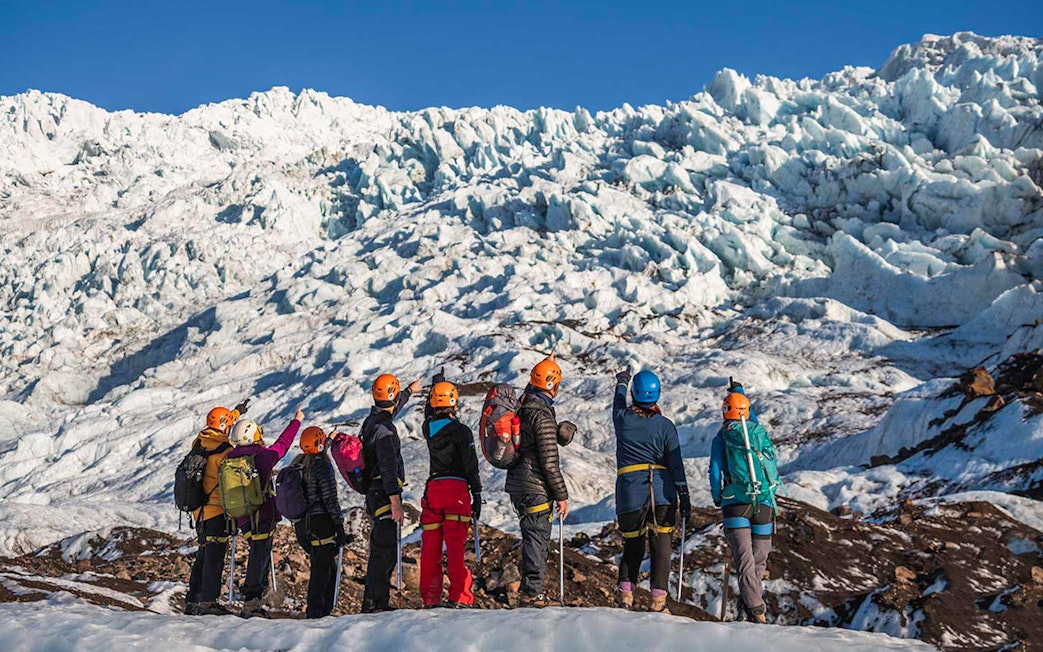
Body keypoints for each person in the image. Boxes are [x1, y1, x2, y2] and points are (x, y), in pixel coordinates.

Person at [612, 369, 690, 613]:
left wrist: (622, 381)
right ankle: (658, 601)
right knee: (661, 544)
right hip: (663, 493)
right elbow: (675, 464)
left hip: (630, 492)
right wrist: (684, 495)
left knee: (633, 544)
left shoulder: (622, 418)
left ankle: (625, 594)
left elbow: (617, 400)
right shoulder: (666, 426)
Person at [504, 354, 576, 607]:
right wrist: (561, 495)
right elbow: (549, 462)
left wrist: (544, 365)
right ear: (553, 385)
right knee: (537, 536)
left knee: (532, 534)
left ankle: (531, 590)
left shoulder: (525, 405)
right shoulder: (542, 417)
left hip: (519, 482)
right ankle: (531, 593)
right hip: (534, 484)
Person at [709, 388, 781, 624]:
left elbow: (715, 470)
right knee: (759, 559)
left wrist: (718, 496)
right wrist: (739, 394)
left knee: (744, 559)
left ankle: (755, 607)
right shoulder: (757, 432)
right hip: (764, 502)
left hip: (736, 503)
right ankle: (753, 605)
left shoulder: (722, 437)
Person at [224, 405, 303, 618]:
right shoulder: (262, 457)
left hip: (241, 517)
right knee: (260, 555)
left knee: (259, 553)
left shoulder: (229, 457)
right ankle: (252, 602)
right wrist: (296, 422)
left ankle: (256, 597)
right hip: (263, 514)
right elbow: (283, 445)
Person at [359, 373, 421, 613]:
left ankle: (374, 601)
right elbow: (387, 466)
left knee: (381, 549)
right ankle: (376, 604)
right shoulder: (384, 430)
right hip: (384, 492)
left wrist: (408, 392)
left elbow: (389, 412)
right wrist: (395, 501)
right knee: (384, 551)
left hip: (374, 493)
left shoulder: (373, 422)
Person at [419, 375, 482, 608]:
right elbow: (470, 465)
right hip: (456, 490)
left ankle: (431, 598)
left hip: (434, 490)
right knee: (455, 547)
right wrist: (477, 494)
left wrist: (434, 389)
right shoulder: (462, 432)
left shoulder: (428, 429)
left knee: (431, 548)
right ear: (454, 403)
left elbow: (428, 413)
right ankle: (460, 596)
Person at [185, 399, 250, 616]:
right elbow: (229, 483)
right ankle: (208, 603)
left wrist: (237, 412)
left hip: (199, 510)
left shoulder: (200, 441)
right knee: (214, 557)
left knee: (203, 553)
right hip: (217, 510)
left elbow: (221, 422)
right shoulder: (225, 451)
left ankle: (193, 600)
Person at [291, 425, 347, 619]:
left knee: (321, 567)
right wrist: (339, 526)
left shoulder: (299, 463)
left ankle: (318, 611)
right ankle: (318, 613)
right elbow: (330, 498)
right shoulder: (322, 466)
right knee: (324, 571)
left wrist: (328, 440)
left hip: (304, 525)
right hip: (321, 523)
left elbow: (317, 448)